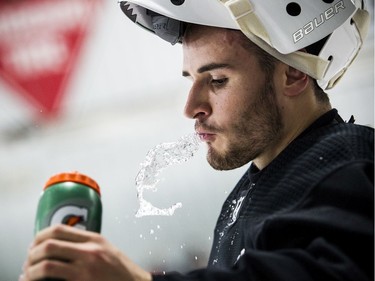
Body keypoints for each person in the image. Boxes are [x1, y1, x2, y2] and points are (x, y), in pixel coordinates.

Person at [20, 0, 374, 280]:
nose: (191, 108)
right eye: (190, 78)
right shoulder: (259, 187)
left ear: (294, 74)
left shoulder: (350, 160)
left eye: (217, 80)